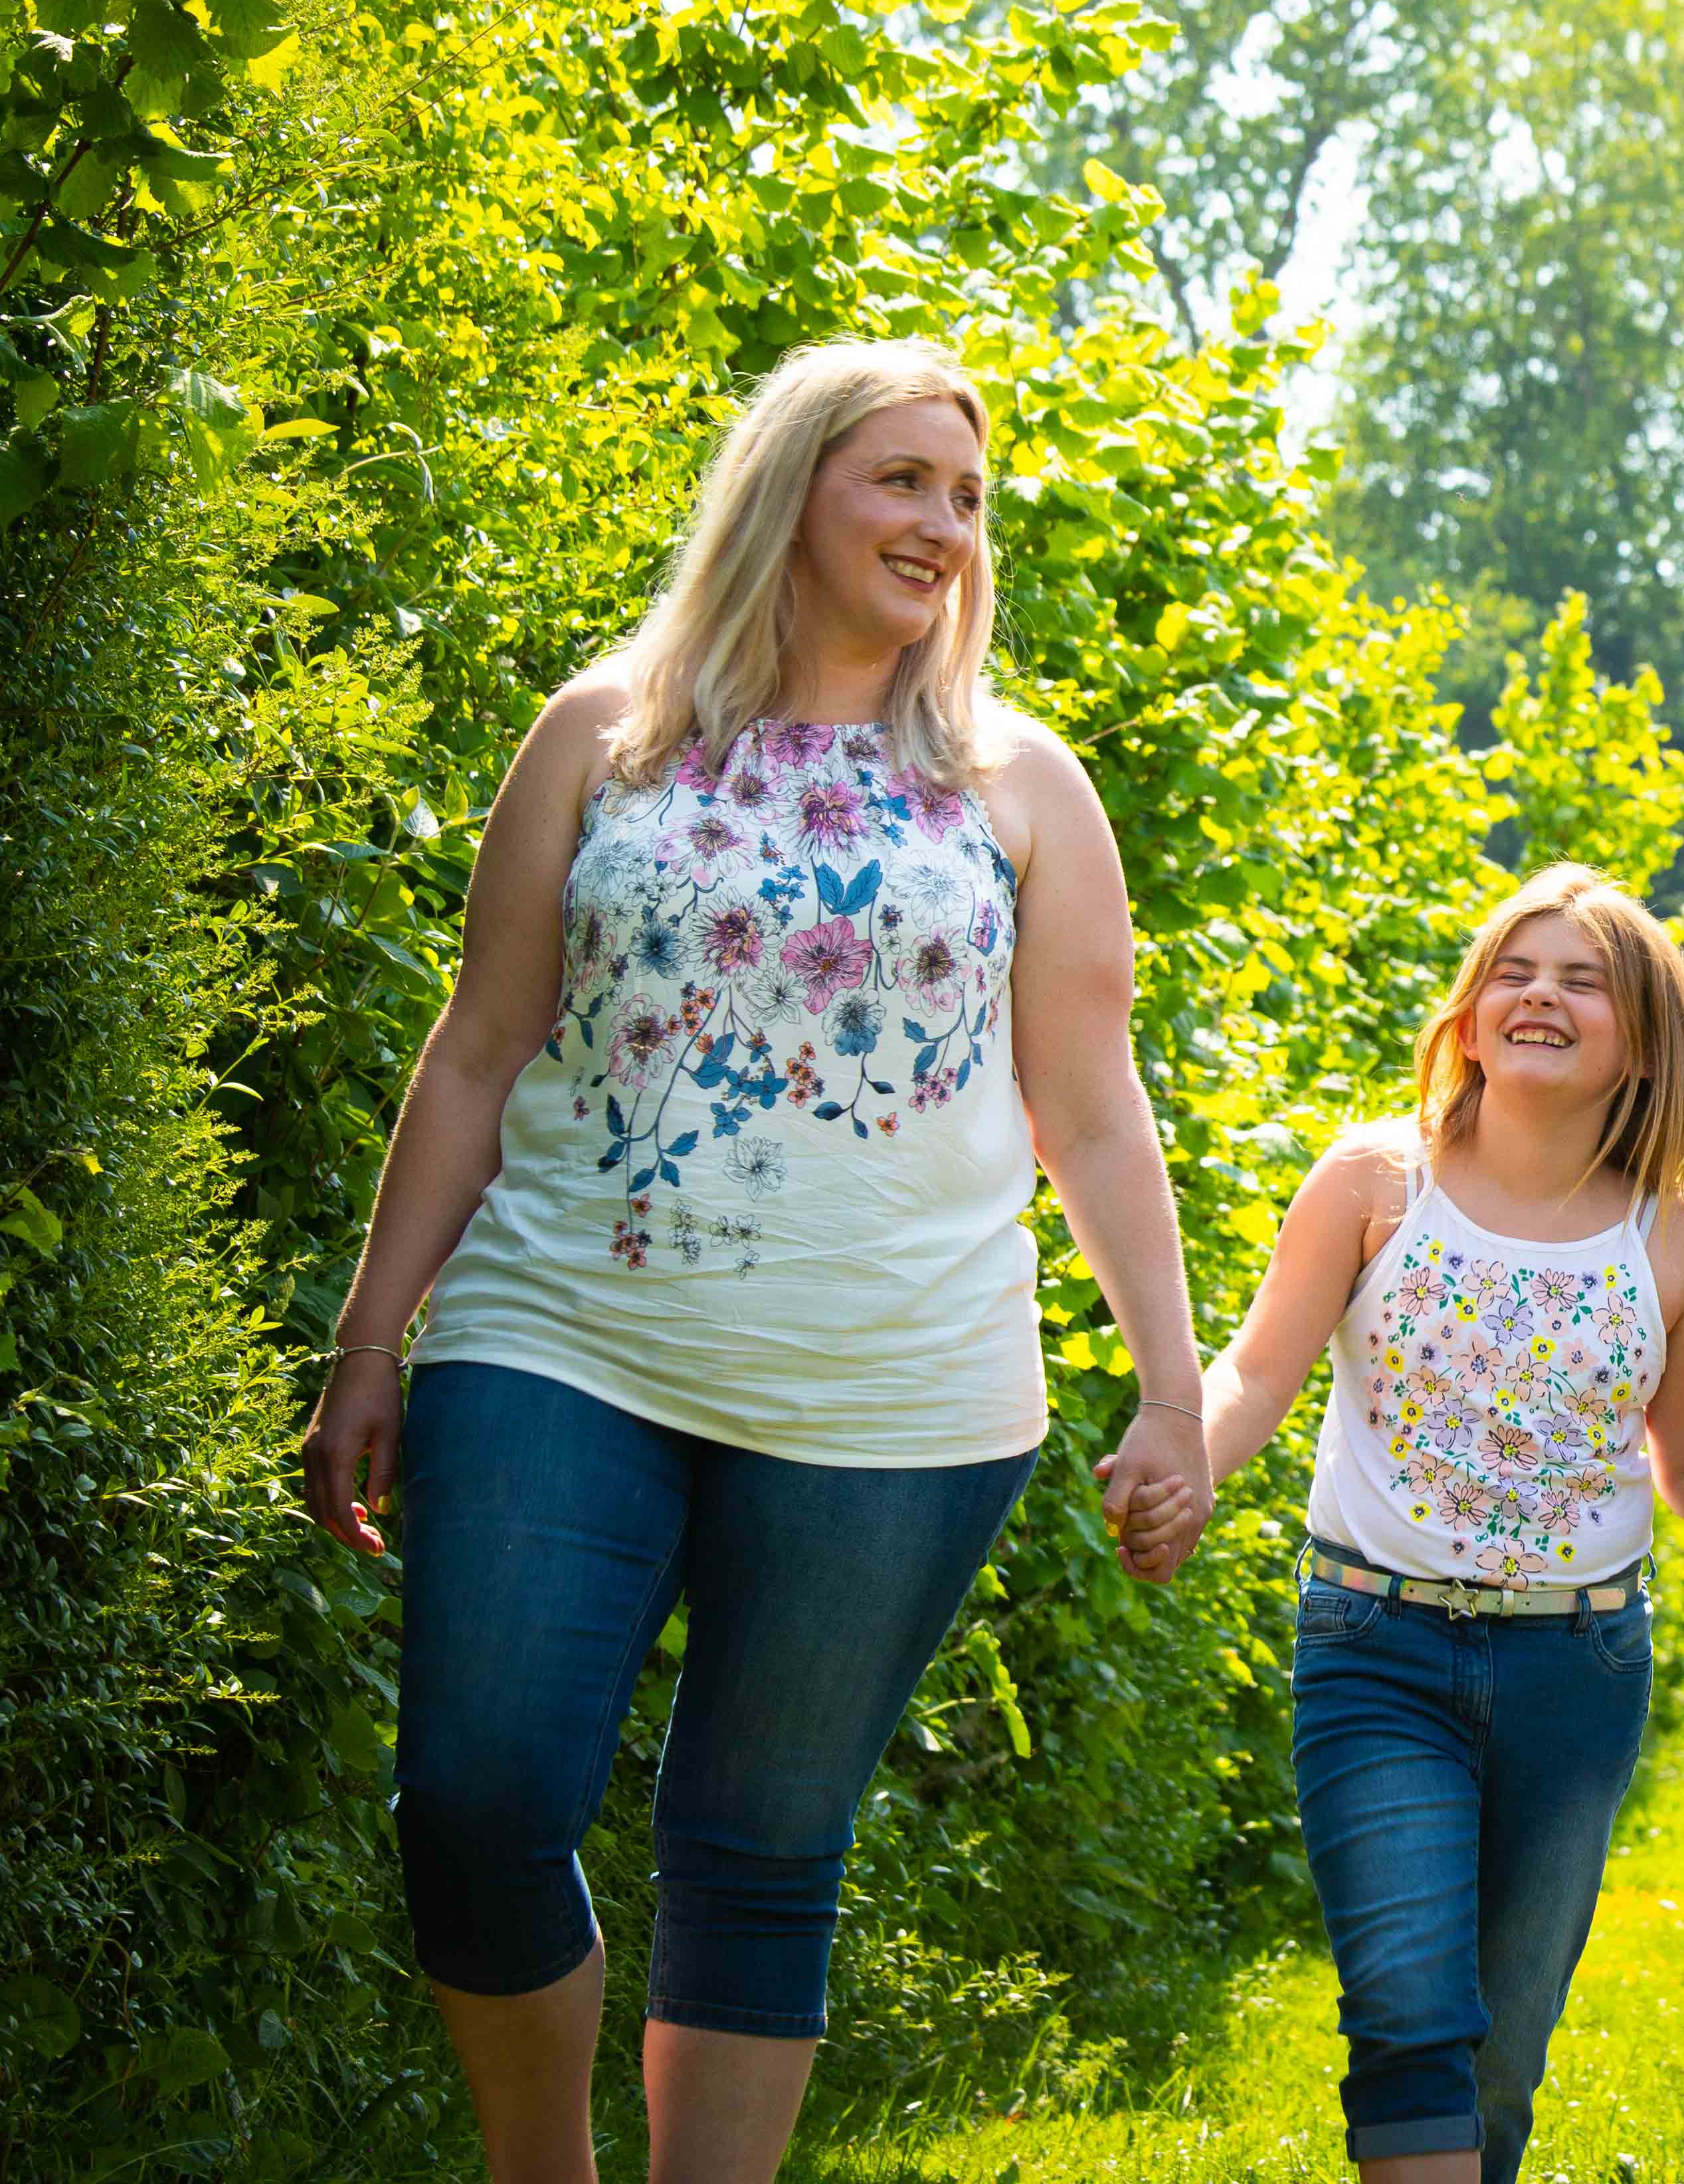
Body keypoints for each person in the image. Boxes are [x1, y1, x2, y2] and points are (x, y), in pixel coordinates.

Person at [294, 340, 1210, 2184]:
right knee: (472, 1800)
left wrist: (1173, 1394)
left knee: (760, 1849)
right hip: (559, 1338)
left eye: (965, 497)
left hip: (891, 1397)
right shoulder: (605, 737)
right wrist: (369, 1342)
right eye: (901, 482)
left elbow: (1093, 1107)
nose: (943, 527)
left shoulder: (1018, 784)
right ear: (789, 489)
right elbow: (477, 1050)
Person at [1188, 865, 1684, 2184]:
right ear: (1470, 1011)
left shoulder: (1674, 1241)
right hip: (1374, 1646)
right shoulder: (1375, 1184)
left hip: (1579, 1673)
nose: (1541, 994)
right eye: (1516, 967)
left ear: (1644, 1040)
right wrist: (1187, 1457)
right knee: (1406, 2011)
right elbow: (1257, 1372)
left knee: (1503, 2051)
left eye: (1582, 978)